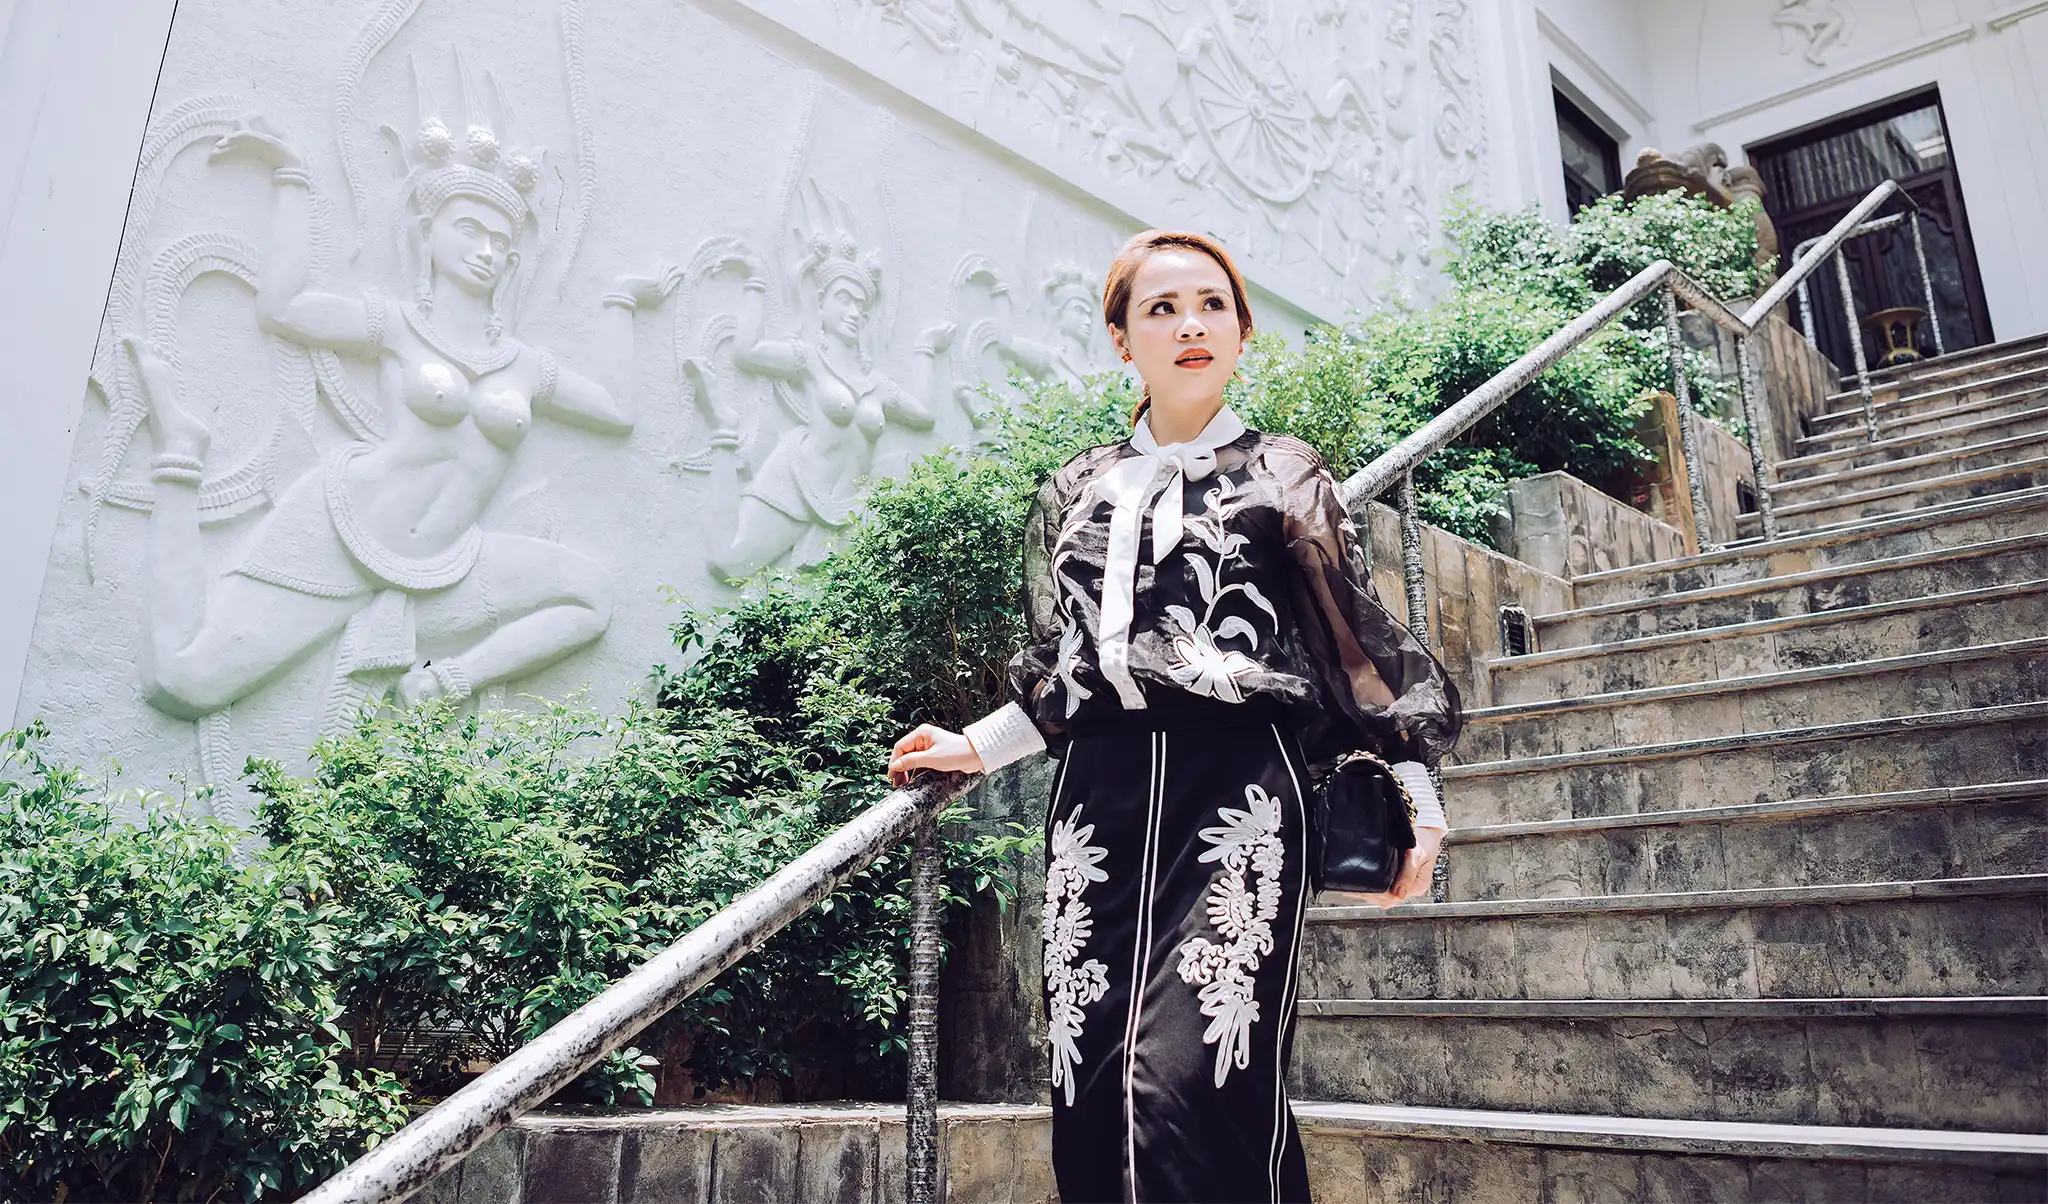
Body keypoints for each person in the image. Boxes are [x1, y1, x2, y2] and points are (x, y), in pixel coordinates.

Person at [888, 230, 1462, 1203]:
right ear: (1122, 339)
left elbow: (1350, 648)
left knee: (1201, 1080)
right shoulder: (1077, 489)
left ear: (1241, 331)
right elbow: (1071, 668)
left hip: (1236, 790)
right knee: (1090, 1081)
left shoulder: (1285, 475)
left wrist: (1418, 795)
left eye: (1211, 304)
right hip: (1096, 801)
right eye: (1160, 308)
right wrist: (976, 746)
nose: (1190, 324)